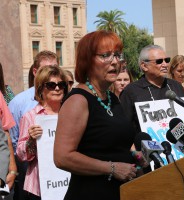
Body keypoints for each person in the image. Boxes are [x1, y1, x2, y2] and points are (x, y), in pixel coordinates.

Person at [54, 30, 143, 200]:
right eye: (106, 55)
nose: (115, 62)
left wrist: (135, 156)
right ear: (87, 61)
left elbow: (109, 146)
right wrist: (112, 168)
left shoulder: (111, 98)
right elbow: (62, 157)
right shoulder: (78, 101)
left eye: (117, 55)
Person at [8, 50, 58, 200]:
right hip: (32, 175)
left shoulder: (68, 104)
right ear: (35, 72)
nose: (51, 74)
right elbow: (14, 140)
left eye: (55, 69)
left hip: (62, 177)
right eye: (46, 70)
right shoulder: (19, 103)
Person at [16, 65, 67, 199]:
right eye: (51, 85)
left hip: (68, 183)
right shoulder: (31, 116)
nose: (57, 88)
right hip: (39, 188)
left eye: (61, 85)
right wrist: (31, 141)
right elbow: (21, 155)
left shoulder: (71, 114)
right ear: (40, 89)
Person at [119, 44, 184, 133]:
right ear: (144, 66)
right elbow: (124, 128)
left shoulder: (176, 86)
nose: (165, 64)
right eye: (159, 61)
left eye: (167, 60)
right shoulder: (131, 92)